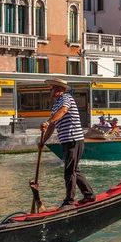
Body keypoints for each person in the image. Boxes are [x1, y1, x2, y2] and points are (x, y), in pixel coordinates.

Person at [40, 78, 96, 211]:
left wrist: (47, 122)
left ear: (58, 90)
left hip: (73, 138)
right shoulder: (55, 106)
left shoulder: (66, 98)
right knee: (74, 169)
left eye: (52, 88)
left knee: (69, 171)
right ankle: (89, 195)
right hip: (66, 140)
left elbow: (64, 110)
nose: (50, 90)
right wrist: (43, 141)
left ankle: (69, 201)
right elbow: (53, 125)